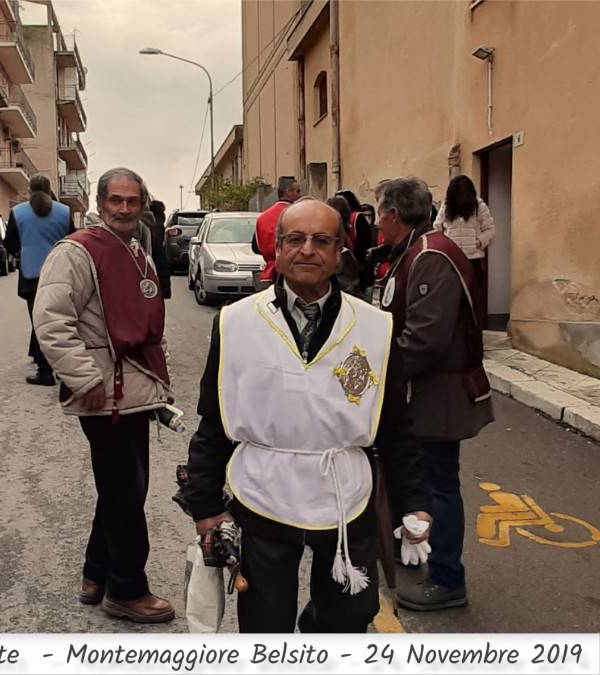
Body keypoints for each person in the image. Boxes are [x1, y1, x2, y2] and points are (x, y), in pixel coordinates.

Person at [183, 198, 431, 633]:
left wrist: (415, 503)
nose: (307, 250)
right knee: (264, 619)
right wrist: (204, 504)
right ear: (277, 250)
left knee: (350, 615)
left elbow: (395, 427)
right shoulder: (236, 322)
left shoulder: (375, 328)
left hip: (344, 493)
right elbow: (214, 419)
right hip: (263, 490)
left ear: (340, 253)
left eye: (322, 240)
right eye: (295, 239)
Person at [33, 167, 175, 624]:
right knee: (125, 493)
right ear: (100, 202)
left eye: (133, 201)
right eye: (116, 200)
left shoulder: (138, 253)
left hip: (133, 389)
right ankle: (126, 589)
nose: (125, 209)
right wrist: (84, 377)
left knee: (120, 488)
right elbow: (52, 322)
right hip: (105, 394)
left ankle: (96, 574)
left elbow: (151, 326)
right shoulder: (75, 253)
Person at [374, 177, 494, 612]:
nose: (375, 223)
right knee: (420, 478)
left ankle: (447, 579)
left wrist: (377, 374)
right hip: (422, 392)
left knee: (439, 485)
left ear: (393, 214)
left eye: (378, 213)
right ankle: (417, 546)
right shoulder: (413, 251)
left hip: (437, 396)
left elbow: (424, 340)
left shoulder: (431, 256)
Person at [5, 174, 73, 386]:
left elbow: (10, 245)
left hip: (31, 274)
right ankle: (64, 369)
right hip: (60, 273)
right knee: (61, 321)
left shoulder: (18, 213)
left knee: (39, 323)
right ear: (49, 188)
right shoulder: (64, 211)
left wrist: (24, 250)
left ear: (30, 189)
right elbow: (72, 240)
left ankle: (44, 372)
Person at [433, 174, 495, 327]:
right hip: (450, 261)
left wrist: (478, 242)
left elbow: (490, 229)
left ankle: (472, 335)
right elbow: (437, 228)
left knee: (472, 300)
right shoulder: (447, 207)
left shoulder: (479, 206)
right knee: (450, 299)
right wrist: (443, 246)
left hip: (472, 260)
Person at [252, 176, 302, 283]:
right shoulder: (299, 215)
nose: (300, 195)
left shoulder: (262, 218)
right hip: (295, 273)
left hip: (270, 275)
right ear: (288, 192)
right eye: (297, 191)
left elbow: (256, 247)